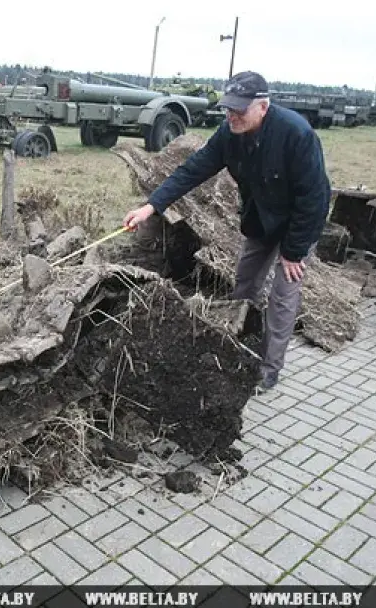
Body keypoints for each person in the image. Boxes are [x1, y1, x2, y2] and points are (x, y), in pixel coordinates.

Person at [123, 71, 332, 392]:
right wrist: (151, 207)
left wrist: (294, 251)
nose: (232, 115)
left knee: (283, 295)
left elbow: (315, 198)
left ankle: (269, 367)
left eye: (239, 109)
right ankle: (239, 344)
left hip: (298, 225)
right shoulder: (229, 134)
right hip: (260, 221)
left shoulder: (296, 134)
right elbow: (192, 170)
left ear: (263, 106)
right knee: (245, 282)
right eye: (228, 108)